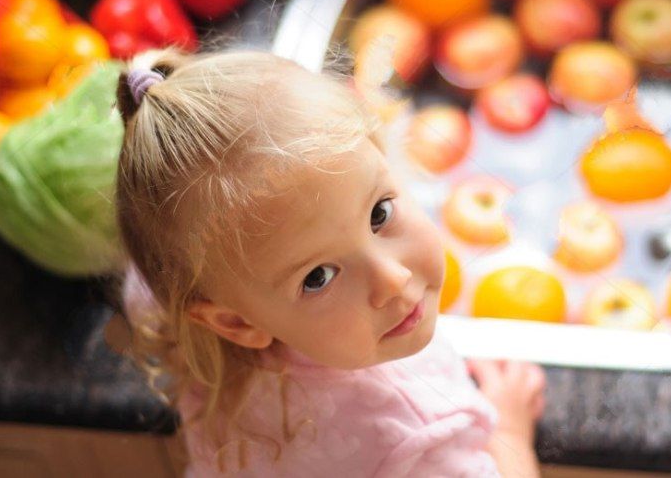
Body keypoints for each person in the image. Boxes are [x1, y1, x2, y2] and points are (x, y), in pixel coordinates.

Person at [114, 47, 546, 476]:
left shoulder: (181, 308)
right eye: (318, 277)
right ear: (235, 324)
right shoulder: (416, 430)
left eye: (379, 213)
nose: (393, 279)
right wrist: (510, 427)